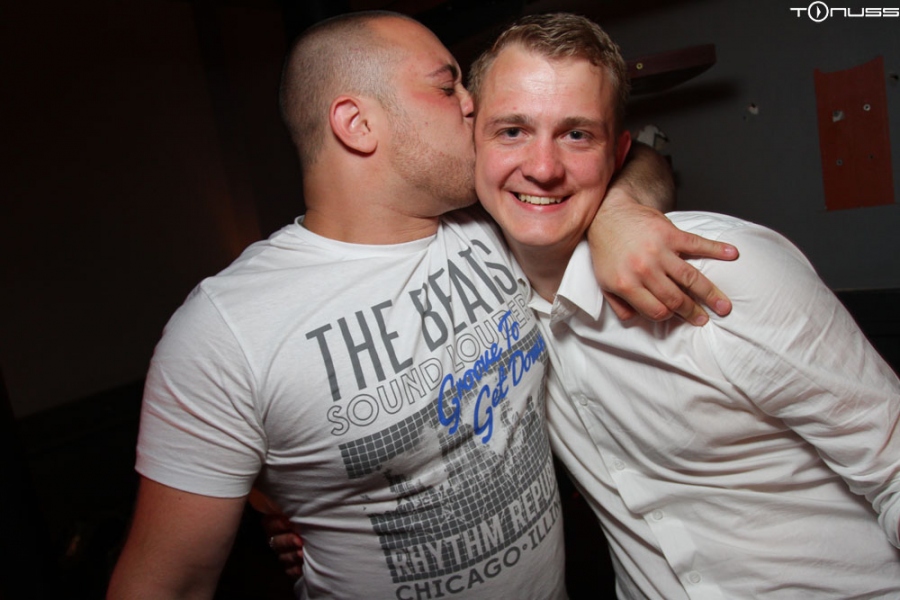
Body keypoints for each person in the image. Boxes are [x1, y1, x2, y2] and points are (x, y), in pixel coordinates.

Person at [106, 11, 738, 600]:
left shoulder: (495, 221)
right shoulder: (225, 330)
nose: (473, 102)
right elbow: (169, 581)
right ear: (358, 124)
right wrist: (272, 493)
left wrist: (621, 215)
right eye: (447, 86)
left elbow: (628, 157)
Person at [467, 12, 900, 599]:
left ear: (618, 152)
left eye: (577, 135)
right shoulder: (476, 292)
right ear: (471, 144)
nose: (543, 168)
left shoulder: (726, 270)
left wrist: (623, 204)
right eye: (513, 130)